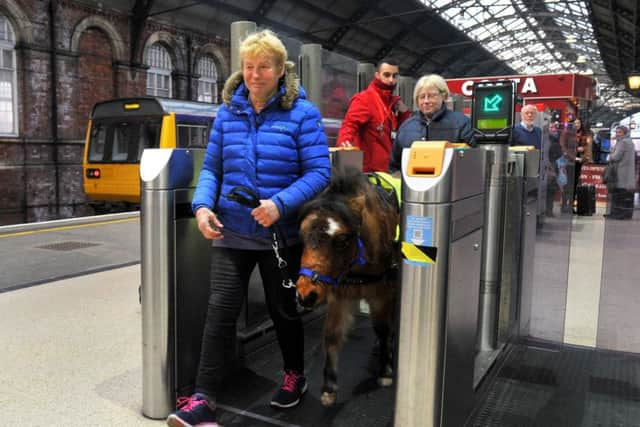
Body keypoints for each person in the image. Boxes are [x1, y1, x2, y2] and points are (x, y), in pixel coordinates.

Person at [166, 29, 331, 427]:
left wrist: (279, 204)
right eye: (248, 66)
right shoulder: (228, 112)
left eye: (263, 67)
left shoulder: (302, 113)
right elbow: (212, 168)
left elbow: (319, 171)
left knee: (282, 310)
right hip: (232, 231)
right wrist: (203, 206)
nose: (255, 74)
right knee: (219, 311)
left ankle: (295, 376)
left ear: (279, 70)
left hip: (280, 235)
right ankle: (204, 398)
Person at [389, 74, 474, 173]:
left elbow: (473, 161)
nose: (426, 101)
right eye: (421, 97)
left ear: (444, 96)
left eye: (432, 96)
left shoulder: (462, 124)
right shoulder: (406, 127)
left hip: (450, 186)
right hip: (413, 186)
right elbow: (394, 165)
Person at [336, 58, 411, 172]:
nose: (391, 80)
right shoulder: (364, 99)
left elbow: (401, 134)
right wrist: (344, 143)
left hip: (387, 170)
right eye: (386, 75)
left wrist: (404, 114)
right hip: (370, 173)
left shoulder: (393, 104)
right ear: (377, 75)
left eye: (394, 76)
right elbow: (350, 124)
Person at [605, 125, 636, 220]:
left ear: (625, 133)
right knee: (626, 195)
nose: (617, 134)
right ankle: (626, 214)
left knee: (617, 194)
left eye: (620, 132)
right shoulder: (630, 142)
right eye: (617, 132)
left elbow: (616, 157)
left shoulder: (622, 142)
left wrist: (609, 156)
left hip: (620, 172)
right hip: (627, 173)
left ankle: (616, 214)